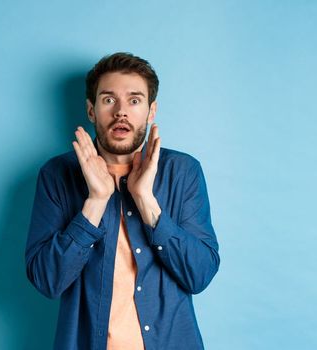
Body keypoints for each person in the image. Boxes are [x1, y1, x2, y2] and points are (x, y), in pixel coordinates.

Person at [25, 52, 220, 349]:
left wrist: (146, 201)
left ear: (151, 111)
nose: (121, 112)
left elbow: (200, 274)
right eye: (108, 100)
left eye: (134, 100)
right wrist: (95, 201)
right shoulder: (57, 175)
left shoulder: (182, 172)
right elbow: (47, 281)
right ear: (91, 110)